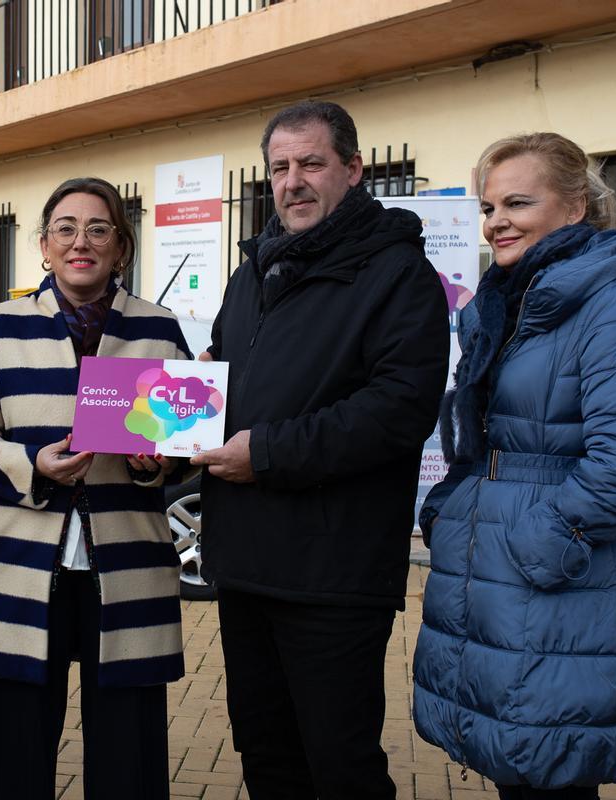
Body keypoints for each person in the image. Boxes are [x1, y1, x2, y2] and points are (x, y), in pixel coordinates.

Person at [412, 133, 616, 797]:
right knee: (523, 765)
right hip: (507, 583)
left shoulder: (607, 305)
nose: (497, 219)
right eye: (489, 205)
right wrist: (453, 510)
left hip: (559, 584)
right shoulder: (517, 302)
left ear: (574, 210)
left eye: (518, 202)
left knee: (552, 771)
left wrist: (538, 543)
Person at [189, 100, 450, 799]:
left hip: (331, 573)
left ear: (354, 169)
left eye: (311, 163)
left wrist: (267, 453)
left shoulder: (397, 275)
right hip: (245, 564)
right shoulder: (252, 275)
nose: (293, 181)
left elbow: (400, 410)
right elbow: (227, 384)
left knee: (340, 766)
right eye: (279, 167)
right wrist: (174, 424)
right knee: (268, 757)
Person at [0, 177, 191, 800]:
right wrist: (31, 463)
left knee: (128, 749)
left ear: (121, 247)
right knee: (15, 748)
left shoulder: (159, 328)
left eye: (98, 229)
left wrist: (152, 464)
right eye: (66, 229)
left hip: (128, 562)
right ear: (45, 247)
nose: (81, 242)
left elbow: (187, 448)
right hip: (22, 567)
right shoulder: (5, 327)